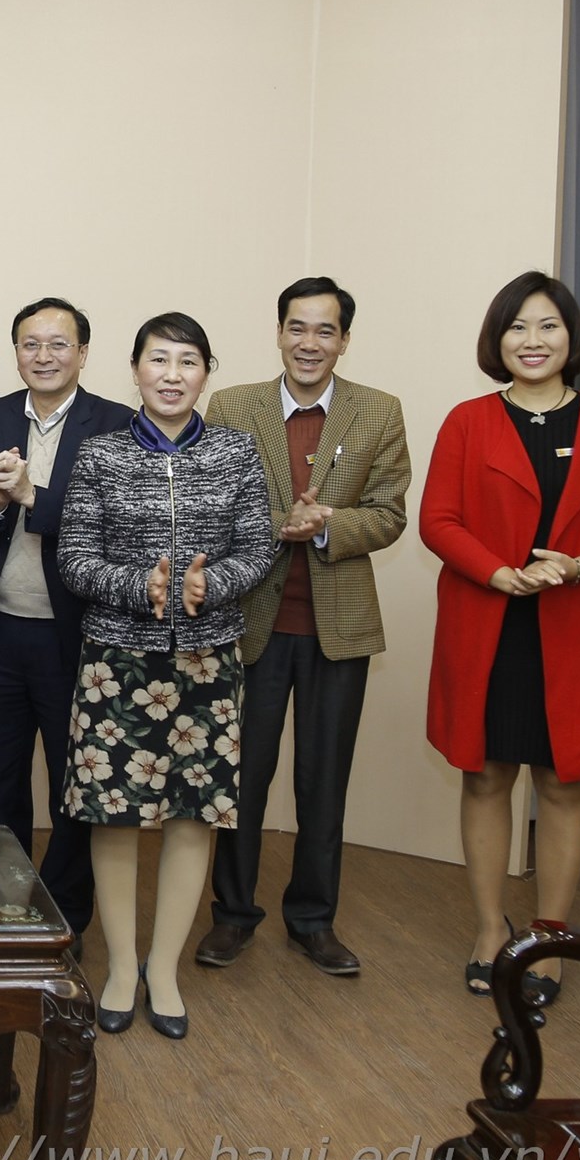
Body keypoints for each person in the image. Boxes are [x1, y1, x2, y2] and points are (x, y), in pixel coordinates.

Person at [421, 271, 580, 1004]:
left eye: (546, 325)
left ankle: (547, 935)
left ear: (569, 337)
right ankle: (490, 928)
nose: (531, 340)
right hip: (487, 623)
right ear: (497, 339)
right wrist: (495, 572)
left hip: (574, 627)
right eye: (516, 326)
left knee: (561, 782)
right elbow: (437, 519)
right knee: (485, 774)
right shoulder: (466, 420)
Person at [55, 312, 274, 1040]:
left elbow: (256, 547)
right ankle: (120, 965)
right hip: (117, 661)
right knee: (113, 815)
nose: (172, 374)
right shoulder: (99, 454)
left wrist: (205, 589)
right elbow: (75, 558)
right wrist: (138, 588)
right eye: (158, 359)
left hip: (208, 661)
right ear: (136, 369)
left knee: (191, 816)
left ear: (205, 370)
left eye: (187, 361)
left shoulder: (238, 453)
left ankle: (164, 968)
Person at [195, 277, 410, 977]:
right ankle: (231, 916)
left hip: (336, 627)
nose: (308, 342)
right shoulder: (231, 406)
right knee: (241, 780)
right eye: (296, 327)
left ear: (344, 340)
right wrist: (277, 524)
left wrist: (327, 525)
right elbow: (212, 505)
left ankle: (313, 920)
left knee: (324, 780)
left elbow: (387, 512)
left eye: (324, 331)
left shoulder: (378, 412)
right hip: (249, 624)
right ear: (278, 332)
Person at [0, 296, 130, 953]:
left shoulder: (114, 423)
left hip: (75, 634)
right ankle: (5, 907)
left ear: (82, 353)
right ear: (16, 352)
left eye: (58, 344)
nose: (44, 356)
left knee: (72, 786)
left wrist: (35, 496)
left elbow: (114, 522)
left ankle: (62, 915)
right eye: (31, 344)